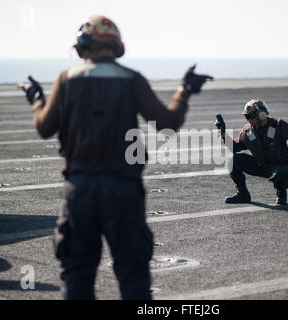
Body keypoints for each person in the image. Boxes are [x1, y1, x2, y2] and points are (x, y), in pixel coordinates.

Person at [18, 15, 212, 300]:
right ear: (116, 45)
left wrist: (36, 98)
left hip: (80, 189)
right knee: (133, 273)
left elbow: (44, 128)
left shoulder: (66, 80)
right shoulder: (131, 79)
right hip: (124, 189)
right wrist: (184, 91)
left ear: (83, 45)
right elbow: (167, 123)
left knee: (77, 273)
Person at [218, 98, 288, 205]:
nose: (248, 119)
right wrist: (223, 132)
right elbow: (235, 147)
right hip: (261, 165)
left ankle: (281, 194)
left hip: (279, 166)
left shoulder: (278, 125)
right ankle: (243, 194)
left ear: (261, 114)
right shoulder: (247, 131)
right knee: (233, 161)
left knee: (281, 172)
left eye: (250, 116)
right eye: (246, 117)